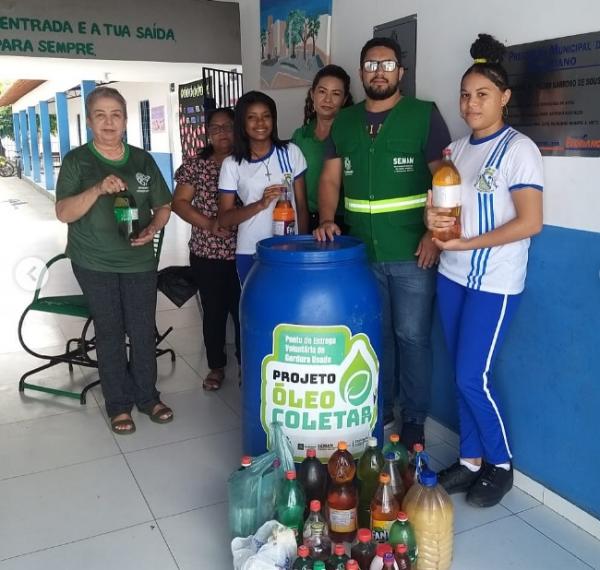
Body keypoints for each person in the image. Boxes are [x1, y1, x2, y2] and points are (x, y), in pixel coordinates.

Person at [315, 37, 451, 450]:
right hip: (363, 255)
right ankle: (380, 408)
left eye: (387, 64)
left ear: (400, 72)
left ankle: (414, 421)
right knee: (375, 335)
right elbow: (330, 179)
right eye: (371, 64)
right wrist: (324, 219)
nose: (379, 71)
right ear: (361, 73)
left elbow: (444, 178)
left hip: (414, 253)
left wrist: (435, 235)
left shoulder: (424, 115)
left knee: (412, 337)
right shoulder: (345, 121)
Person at [426, 34, 543, 507]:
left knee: (473, 376)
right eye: (466, 94)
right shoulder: (455, 152)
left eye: (482, 95)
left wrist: (469, 241)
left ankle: (500, 462)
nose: (471, 103)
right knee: (459, 373)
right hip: (452, 276)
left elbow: (530, 221)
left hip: (493, 283)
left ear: (504, 98)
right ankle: (470, 459)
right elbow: (439, 209)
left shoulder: (520, 150)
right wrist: (431, 221)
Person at [55, 86, 173, 435]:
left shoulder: (142, 160)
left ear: (125, 120)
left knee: (140, 329)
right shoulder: (79, 161)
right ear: (90, 121)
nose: (109, 122)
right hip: (94, 261)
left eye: (116, 114)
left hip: (138, 260)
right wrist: (96, 190)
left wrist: (153, 227)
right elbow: (63, 212)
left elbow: (164, 205)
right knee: (109, 331)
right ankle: (118, 405)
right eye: (100, 115)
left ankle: (148, 397)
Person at [172, 108, 240, 391]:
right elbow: (180, 203)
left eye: (228, 126)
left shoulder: (249, 161)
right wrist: (210, 224)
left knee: (243, 312)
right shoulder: (195, 165)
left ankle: (247, 365)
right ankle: (216, 367)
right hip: (207, 253)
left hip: (245, 253)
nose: (222, 131)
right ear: (207, 132)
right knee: (214, 312)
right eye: (216, 127)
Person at [218, 91, 309, 284]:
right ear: (242, 123)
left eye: (266, 116)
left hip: (289, 248)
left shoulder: (291, 152)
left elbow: (301, 206)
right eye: (252, 117)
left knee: (290, 308)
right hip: (251, 250)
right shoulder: (232, 164)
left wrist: (302, 245)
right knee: (258, 311)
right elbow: (225, 219)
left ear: (273, 120)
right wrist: (260, 204)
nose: (260, 123)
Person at [292, 64, 354, 232]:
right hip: (306, 219)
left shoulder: (353, 135)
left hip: (343, 222)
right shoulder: (300, 136)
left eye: (336, 94)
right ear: (312, 94)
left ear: (345, 99)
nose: (327, 100)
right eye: (322, 91)